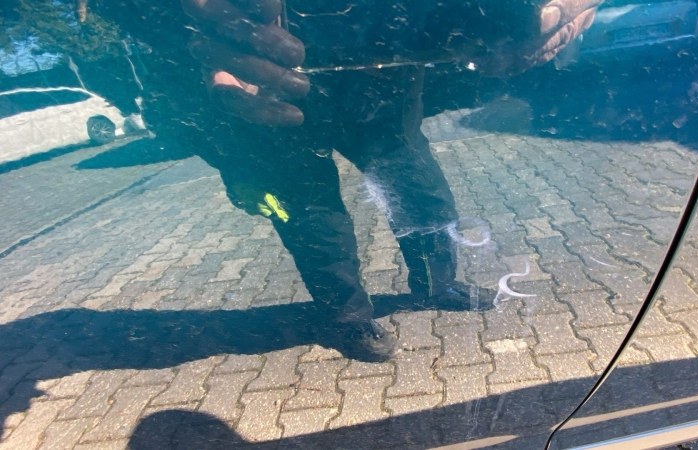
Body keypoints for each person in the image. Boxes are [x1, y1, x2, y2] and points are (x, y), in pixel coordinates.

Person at [79, 0, 599, 361]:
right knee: (313, 219)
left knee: (422, 195)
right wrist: (187, 40)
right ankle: (348, 320)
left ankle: (437, 284)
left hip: (379, 85)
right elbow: (134, 14)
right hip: (267, 89)